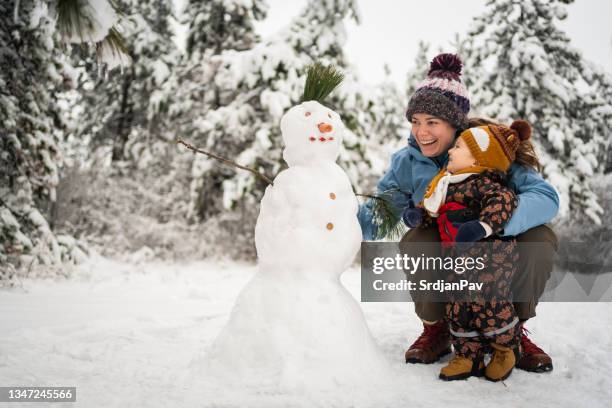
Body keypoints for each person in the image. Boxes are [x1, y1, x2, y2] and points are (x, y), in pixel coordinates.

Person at [357, 53, 559, 373]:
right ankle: (436, 328)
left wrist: (490, 226)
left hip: (493, 248)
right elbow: (380, 212)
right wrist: (333, 224)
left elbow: (545, 197)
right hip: (445, 247)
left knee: (541, 237)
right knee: (418, 238)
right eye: (416, 121)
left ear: (455, 124)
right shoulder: (407, 162)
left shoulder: (486, 149)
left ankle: (512, 332)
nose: (421, 132)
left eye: (432, 122)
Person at [403, 120, 534, 381]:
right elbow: (435, 212)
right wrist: (419, 216)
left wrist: (483, 226)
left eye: (460, 146)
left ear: (479, 157)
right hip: (456, 261)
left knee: (490, 305)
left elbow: (503, 202)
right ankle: (467, 355)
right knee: (458, 308)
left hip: (489, 261)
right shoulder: (446, 185)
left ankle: (504, 348)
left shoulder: (486, 183)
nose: (451, 151)